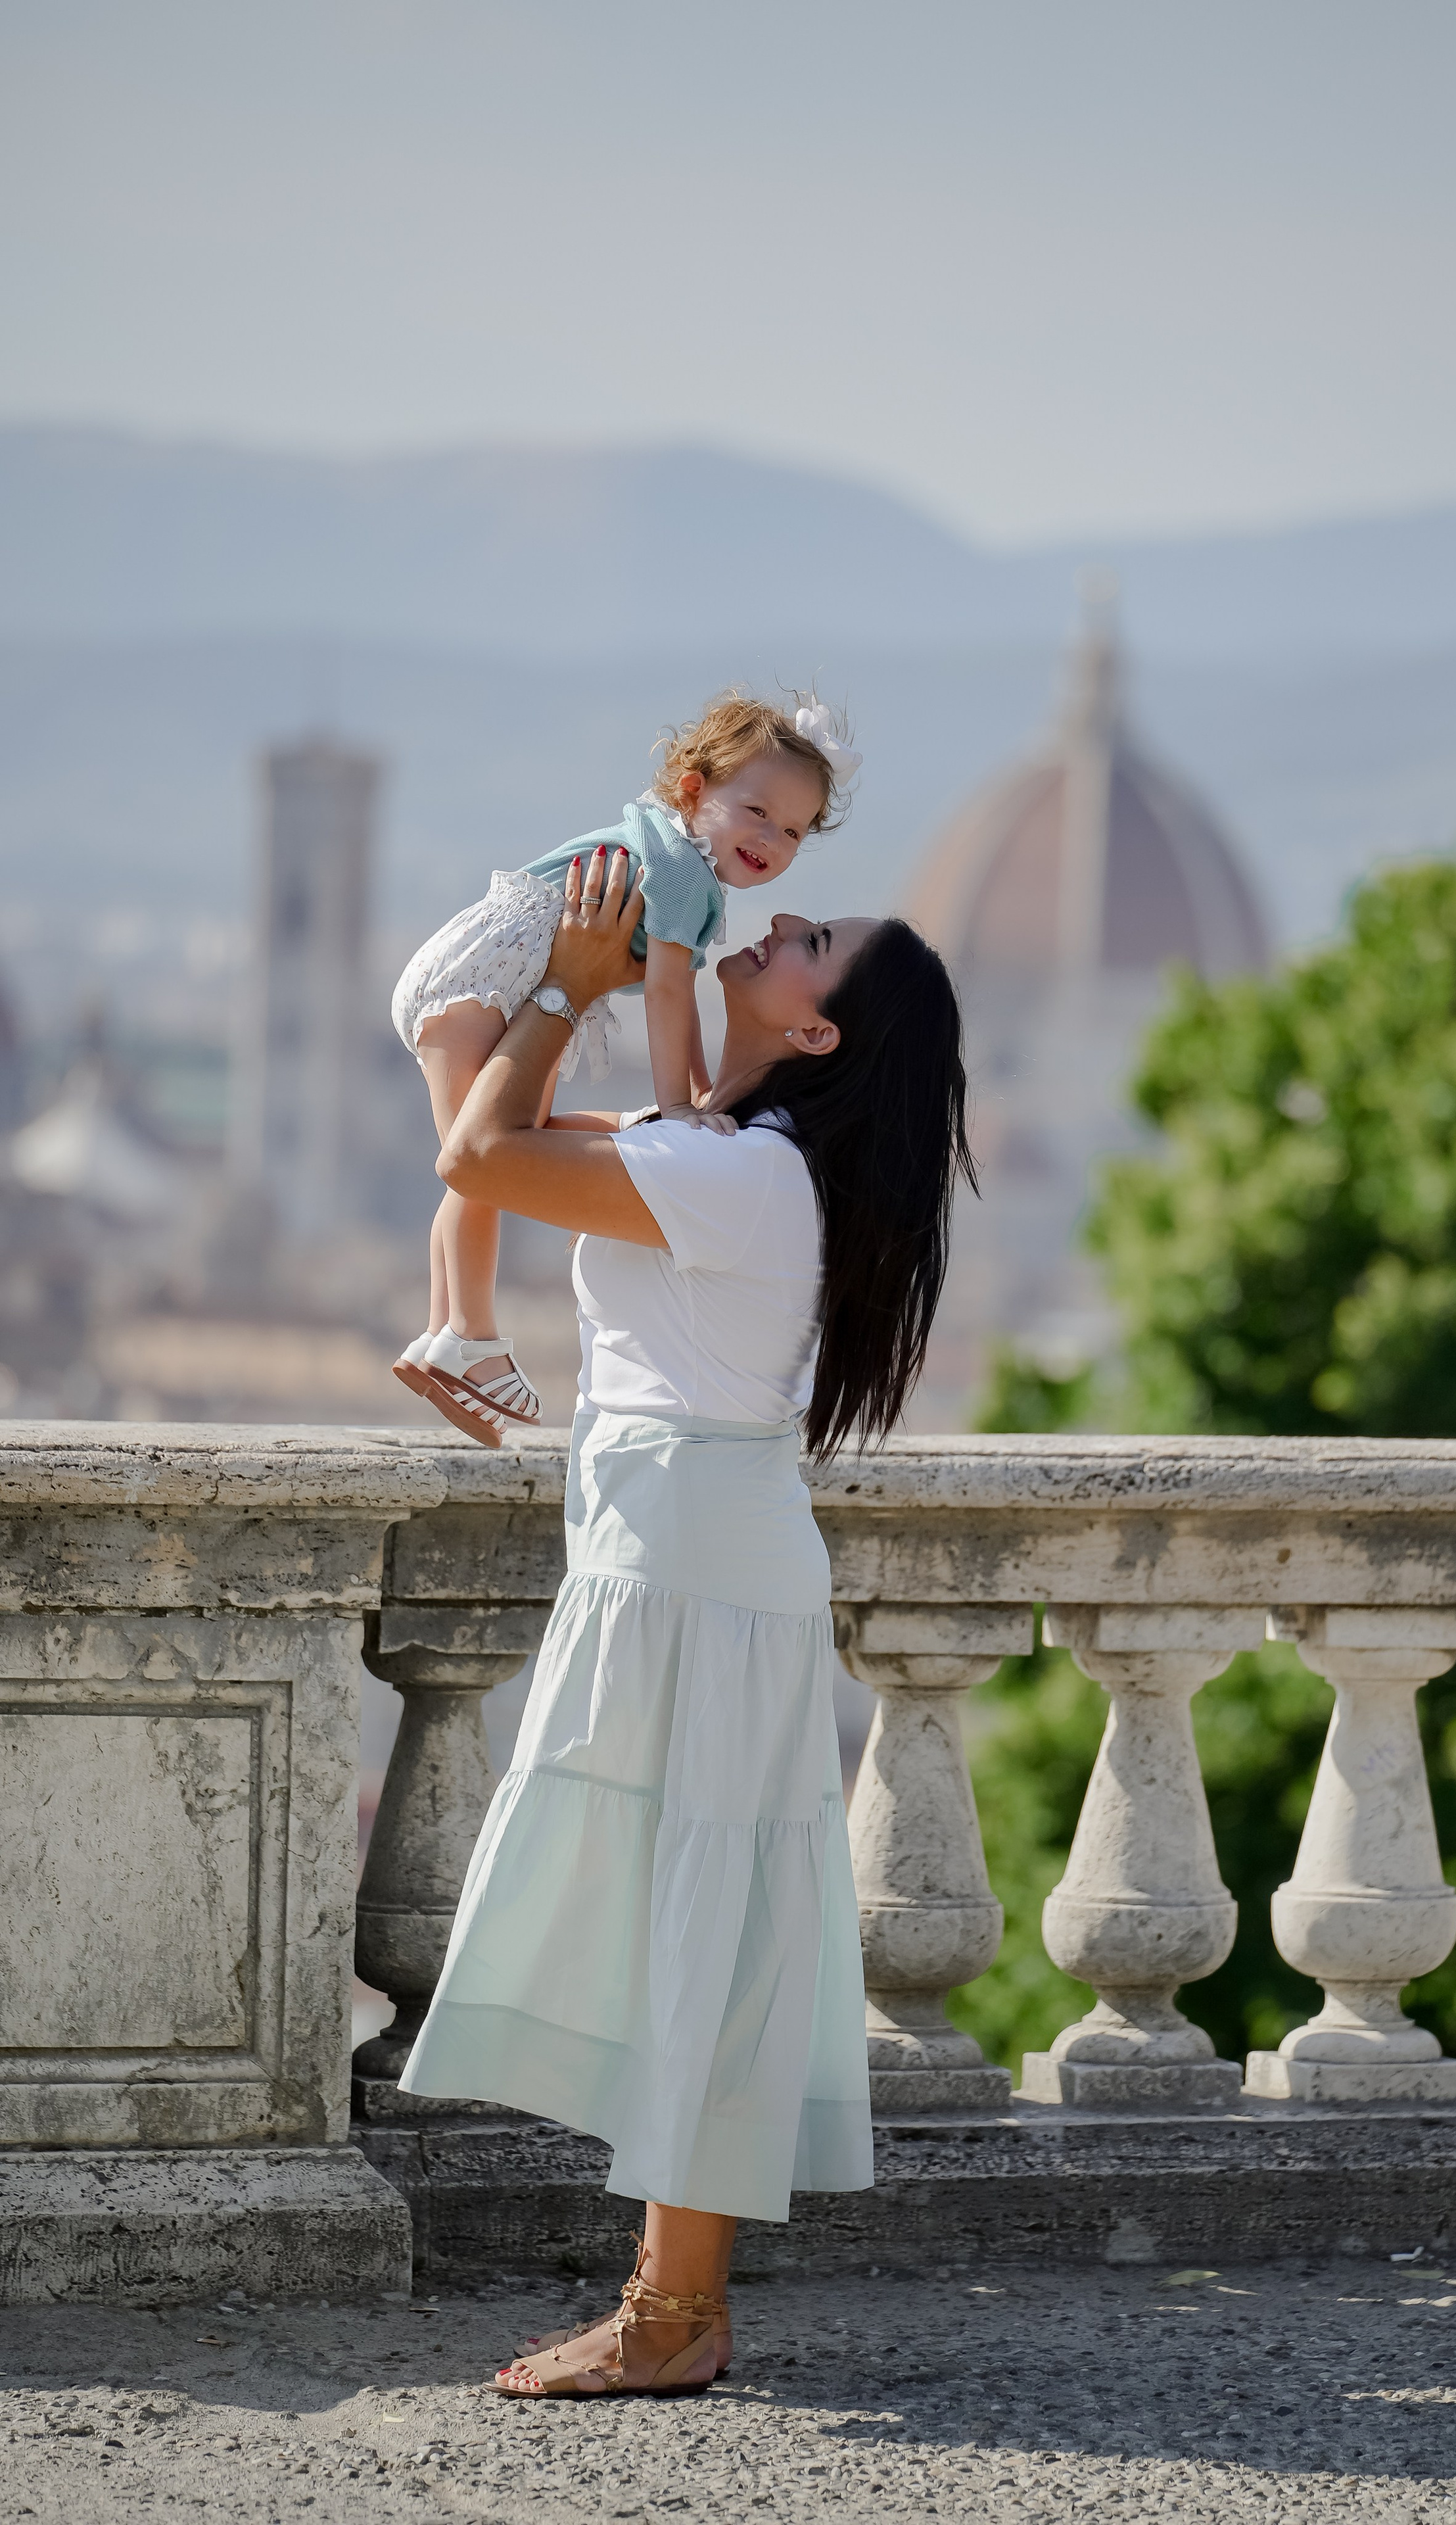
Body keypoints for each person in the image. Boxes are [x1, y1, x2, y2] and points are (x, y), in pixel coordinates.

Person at [397, 842, 975, 2399]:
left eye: (806, 942)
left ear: (816, 1032)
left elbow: (478, 1156)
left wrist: (567, 992)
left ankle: (673, 2313)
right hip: (678, 1557)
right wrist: (571, 992)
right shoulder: (738, 1154)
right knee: (684, 1914)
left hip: (695, 1572)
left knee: (703, 1925)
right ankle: (671, 2302)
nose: (774, 922)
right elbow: (505, 1128)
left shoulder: (737, 1177)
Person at [387, 694, 860, 1447]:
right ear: (695, 792)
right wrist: (681, 1107)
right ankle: (468, 1337)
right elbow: (671, 994)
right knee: (484, 1163)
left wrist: (698, 1096)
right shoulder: (680, 873)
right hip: (489, 980)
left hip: (493, 984)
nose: (772, 839)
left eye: (794, 830)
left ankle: (447, 1332)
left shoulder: (680, 862)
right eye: (757, 811)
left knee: (499, 1151)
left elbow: (680, 998)